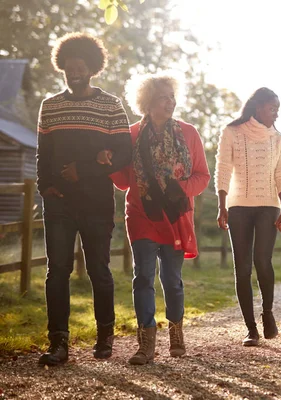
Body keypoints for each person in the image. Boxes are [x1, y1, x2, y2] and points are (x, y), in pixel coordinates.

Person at [36, 33, 132, 366]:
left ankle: (105, 334)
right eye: (69, 66)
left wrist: (87, 170)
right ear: (62, 67)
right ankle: (58, 343)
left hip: (96, 202)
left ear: (92, 69)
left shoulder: (110, 105)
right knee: (56, 271)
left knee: (99, 271)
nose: (74, 71)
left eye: (81, 66)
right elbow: (42, 155)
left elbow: (123, 154)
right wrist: (44, 186)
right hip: (59, 204)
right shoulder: (50, 106)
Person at [109, 72, 210, 365]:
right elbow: (124, 181)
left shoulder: (189, 133)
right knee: (143, 277)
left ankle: (176, 334)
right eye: (164, 97)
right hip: (142, 214)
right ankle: (145, 344)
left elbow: (202, 176)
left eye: (172, 96)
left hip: (176, 215)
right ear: (148, 103)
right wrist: (109, 162)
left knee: (172, 279)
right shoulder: (131, 134)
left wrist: (182, 189)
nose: (170, 102)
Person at [215, 87, 281, 347]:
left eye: (277, 109)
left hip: (268, 205)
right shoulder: (232, 132)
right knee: (243, 267)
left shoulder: (278, 139)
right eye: (273, 108)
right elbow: (223, 168)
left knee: (262, 260)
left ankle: (267, 313)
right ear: (258, 107)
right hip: (238, 207)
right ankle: (251, 328)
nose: (276, 114)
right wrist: (222, 205)